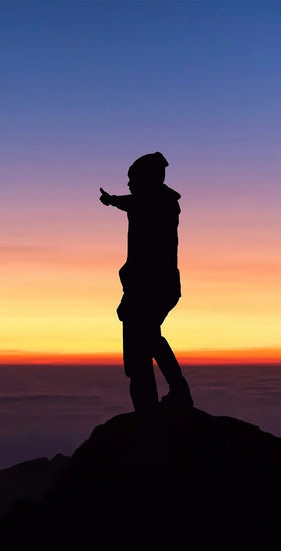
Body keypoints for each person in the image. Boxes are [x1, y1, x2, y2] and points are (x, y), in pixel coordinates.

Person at [99, 152, 193, 413]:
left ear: (147, 179)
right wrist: (113, 200)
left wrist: (113, 200)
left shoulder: (156, 203)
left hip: (148, 289)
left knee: (141, 348)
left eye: (133, 179)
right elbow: (132, 202)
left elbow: (135, 203)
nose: (129, 184)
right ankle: (171, 395)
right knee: (149, 340)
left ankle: (154, 408)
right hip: (153, 288)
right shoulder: (158, 202)